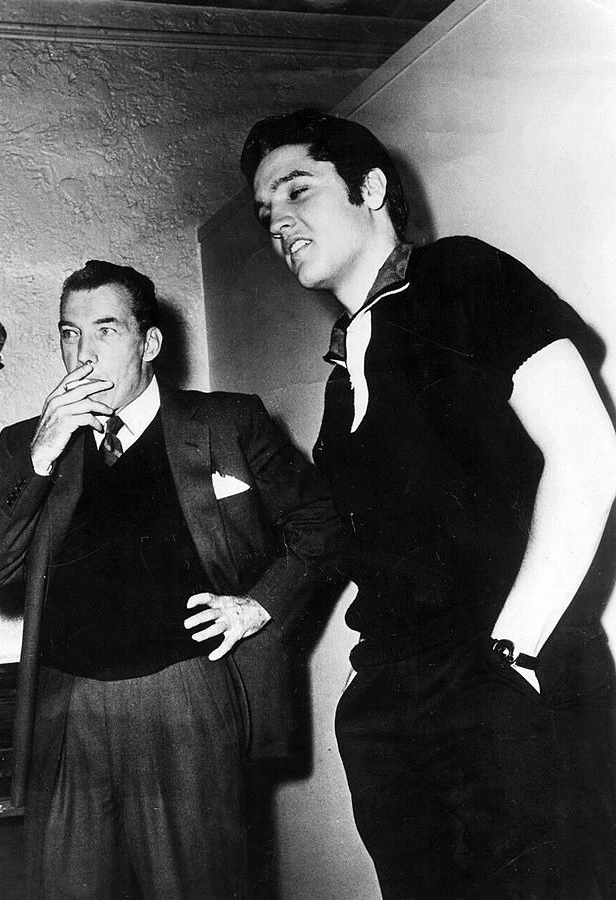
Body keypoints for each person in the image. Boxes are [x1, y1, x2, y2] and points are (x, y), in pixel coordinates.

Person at [241, 108, 616, 899]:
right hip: (390, 699)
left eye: (297, 191)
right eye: (264, 211)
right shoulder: (342, 372)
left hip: (504, 673)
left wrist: (511, 655)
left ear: (371, 188)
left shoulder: (461, 275)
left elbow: (589, 453)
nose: (277, 222)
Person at [0, 259, 342, 900]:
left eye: (105, 330)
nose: (83, 353)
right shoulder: (31, 444)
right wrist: (42, 455)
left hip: (186, 699)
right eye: (70, 333)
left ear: (151, 342)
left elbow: (323, 526)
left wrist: (257, 606)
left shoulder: (228, 423)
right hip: (66, 706)